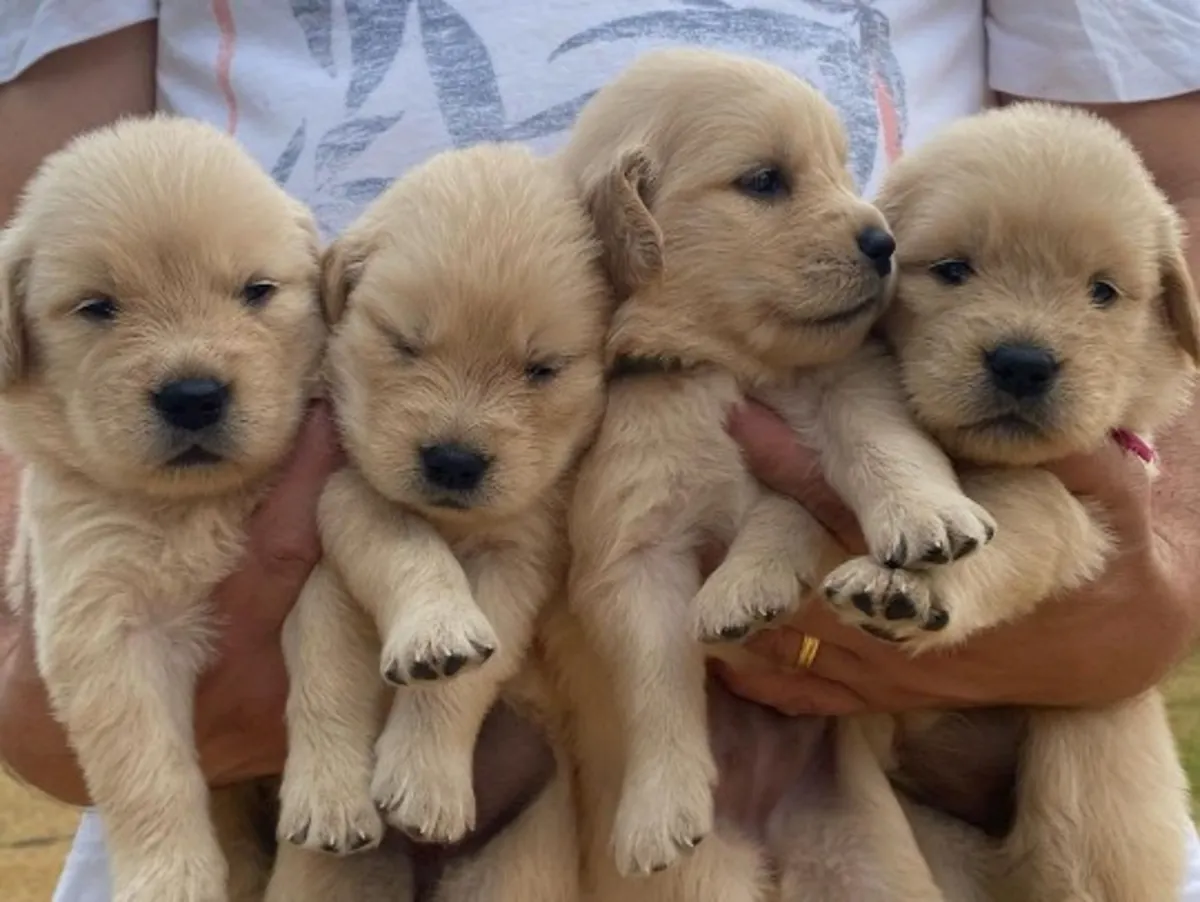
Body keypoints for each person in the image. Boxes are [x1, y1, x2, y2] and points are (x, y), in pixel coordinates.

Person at [1, 1, 1199, 899]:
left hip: (917, 733)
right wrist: (35, 649)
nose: (867, 231)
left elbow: (1165, 208)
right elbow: (37, 246)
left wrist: (1163, 569)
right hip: (267, 718)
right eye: (776, 182)